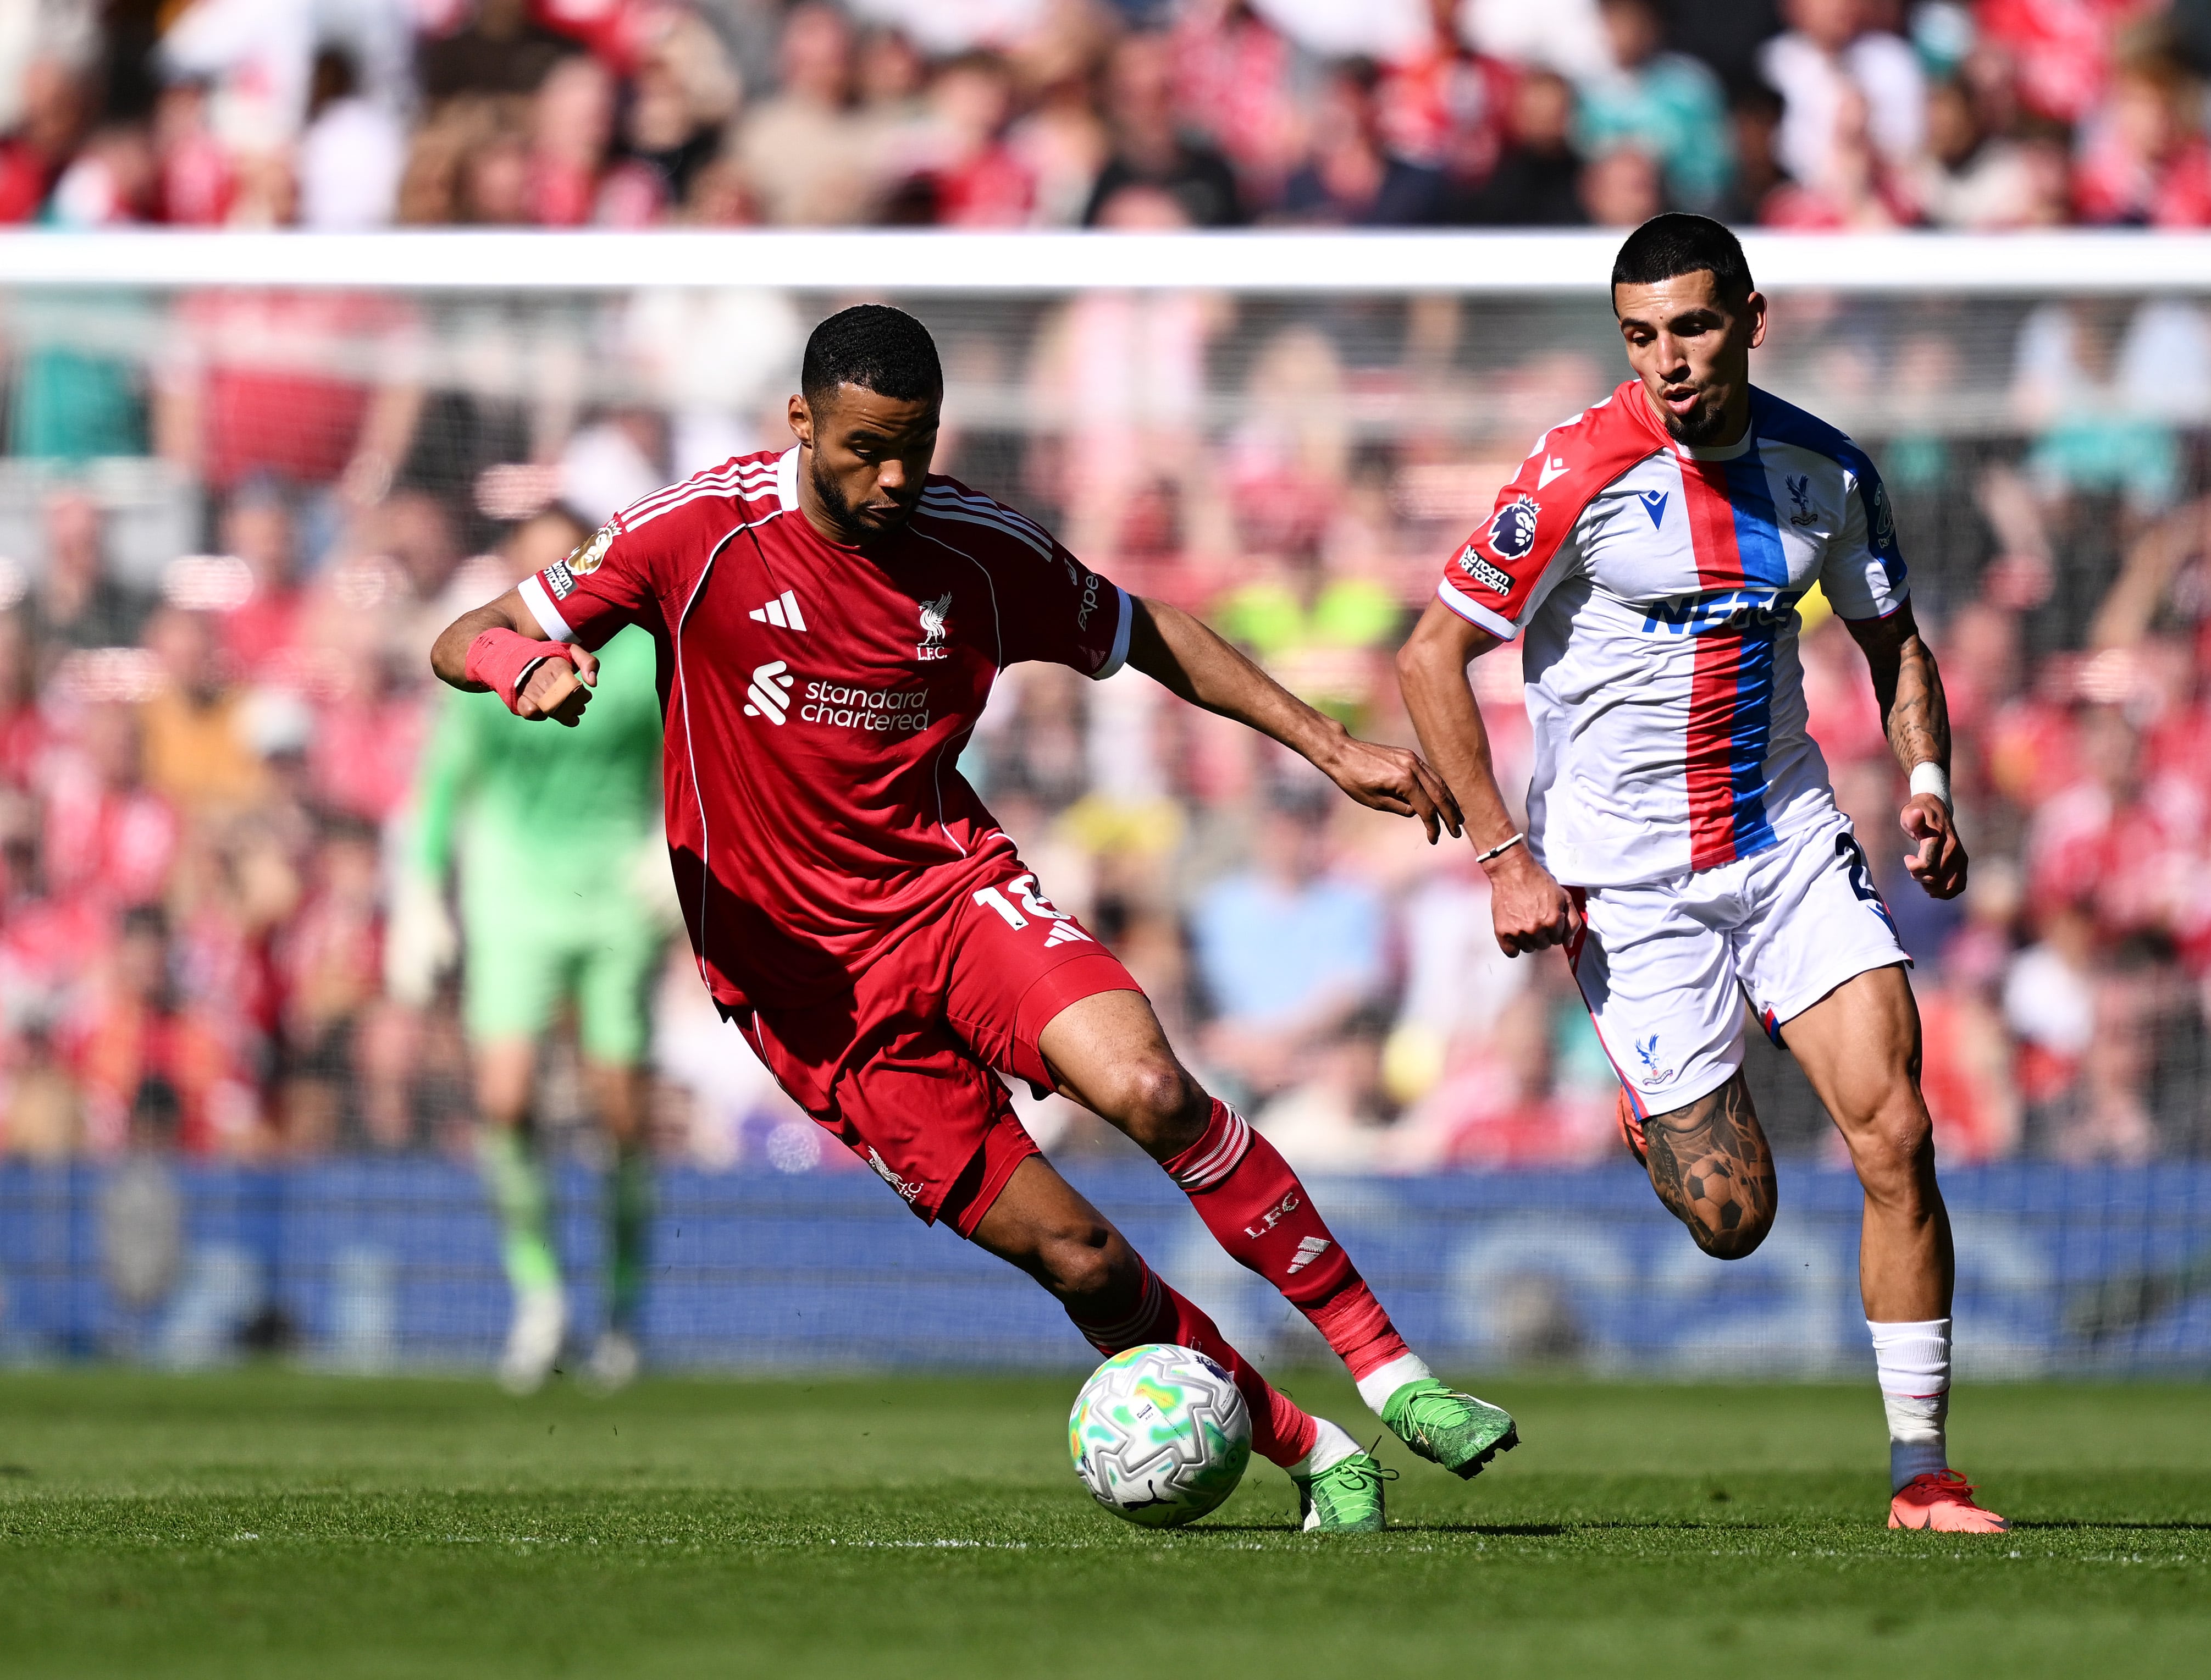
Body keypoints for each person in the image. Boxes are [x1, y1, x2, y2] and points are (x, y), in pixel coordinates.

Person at [427, 305, 1514, 1532]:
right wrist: (521, 669)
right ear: (802, 422)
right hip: (805, 993)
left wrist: (1330, 746)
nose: (894, 477)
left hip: (953, 896)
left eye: (916, 445)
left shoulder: (977, 548)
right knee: (1083, 1261)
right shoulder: (699, 535)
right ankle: (1313, 1450)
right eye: (863, 449)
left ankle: (1394, 1374)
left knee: (1152, 1088)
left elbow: (1146, 633)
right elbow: (470, 631)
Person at [1395, 213, 2004, 1534]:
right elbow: (1428, 655)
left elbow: (1894, 642)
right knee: (1732, 1216)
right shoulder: (1577, 471)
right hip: (1626, 880)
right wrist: (1507, 859)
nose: (1666, 360)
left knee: (1895, 1130)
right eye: (1640, 335)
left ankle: (1924, 1474)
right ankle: (1658, 1108)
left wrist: (1927, 787)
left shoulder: (1824, 472)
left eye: (1691, 326)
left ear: (1749, 318)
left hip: (1784, 843)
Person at [394, 509, 670, 1394]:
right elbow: (444, 785)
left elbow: (692, 758)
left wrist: (667, 849)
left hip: (613, 893)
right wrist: (419, 893)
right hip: (512, 892)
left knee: (621, 1111)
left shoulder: (636, 654)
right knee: (505, 1100)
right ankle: (539, 1298)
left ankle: (623, 1312)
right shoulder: (490, 655)